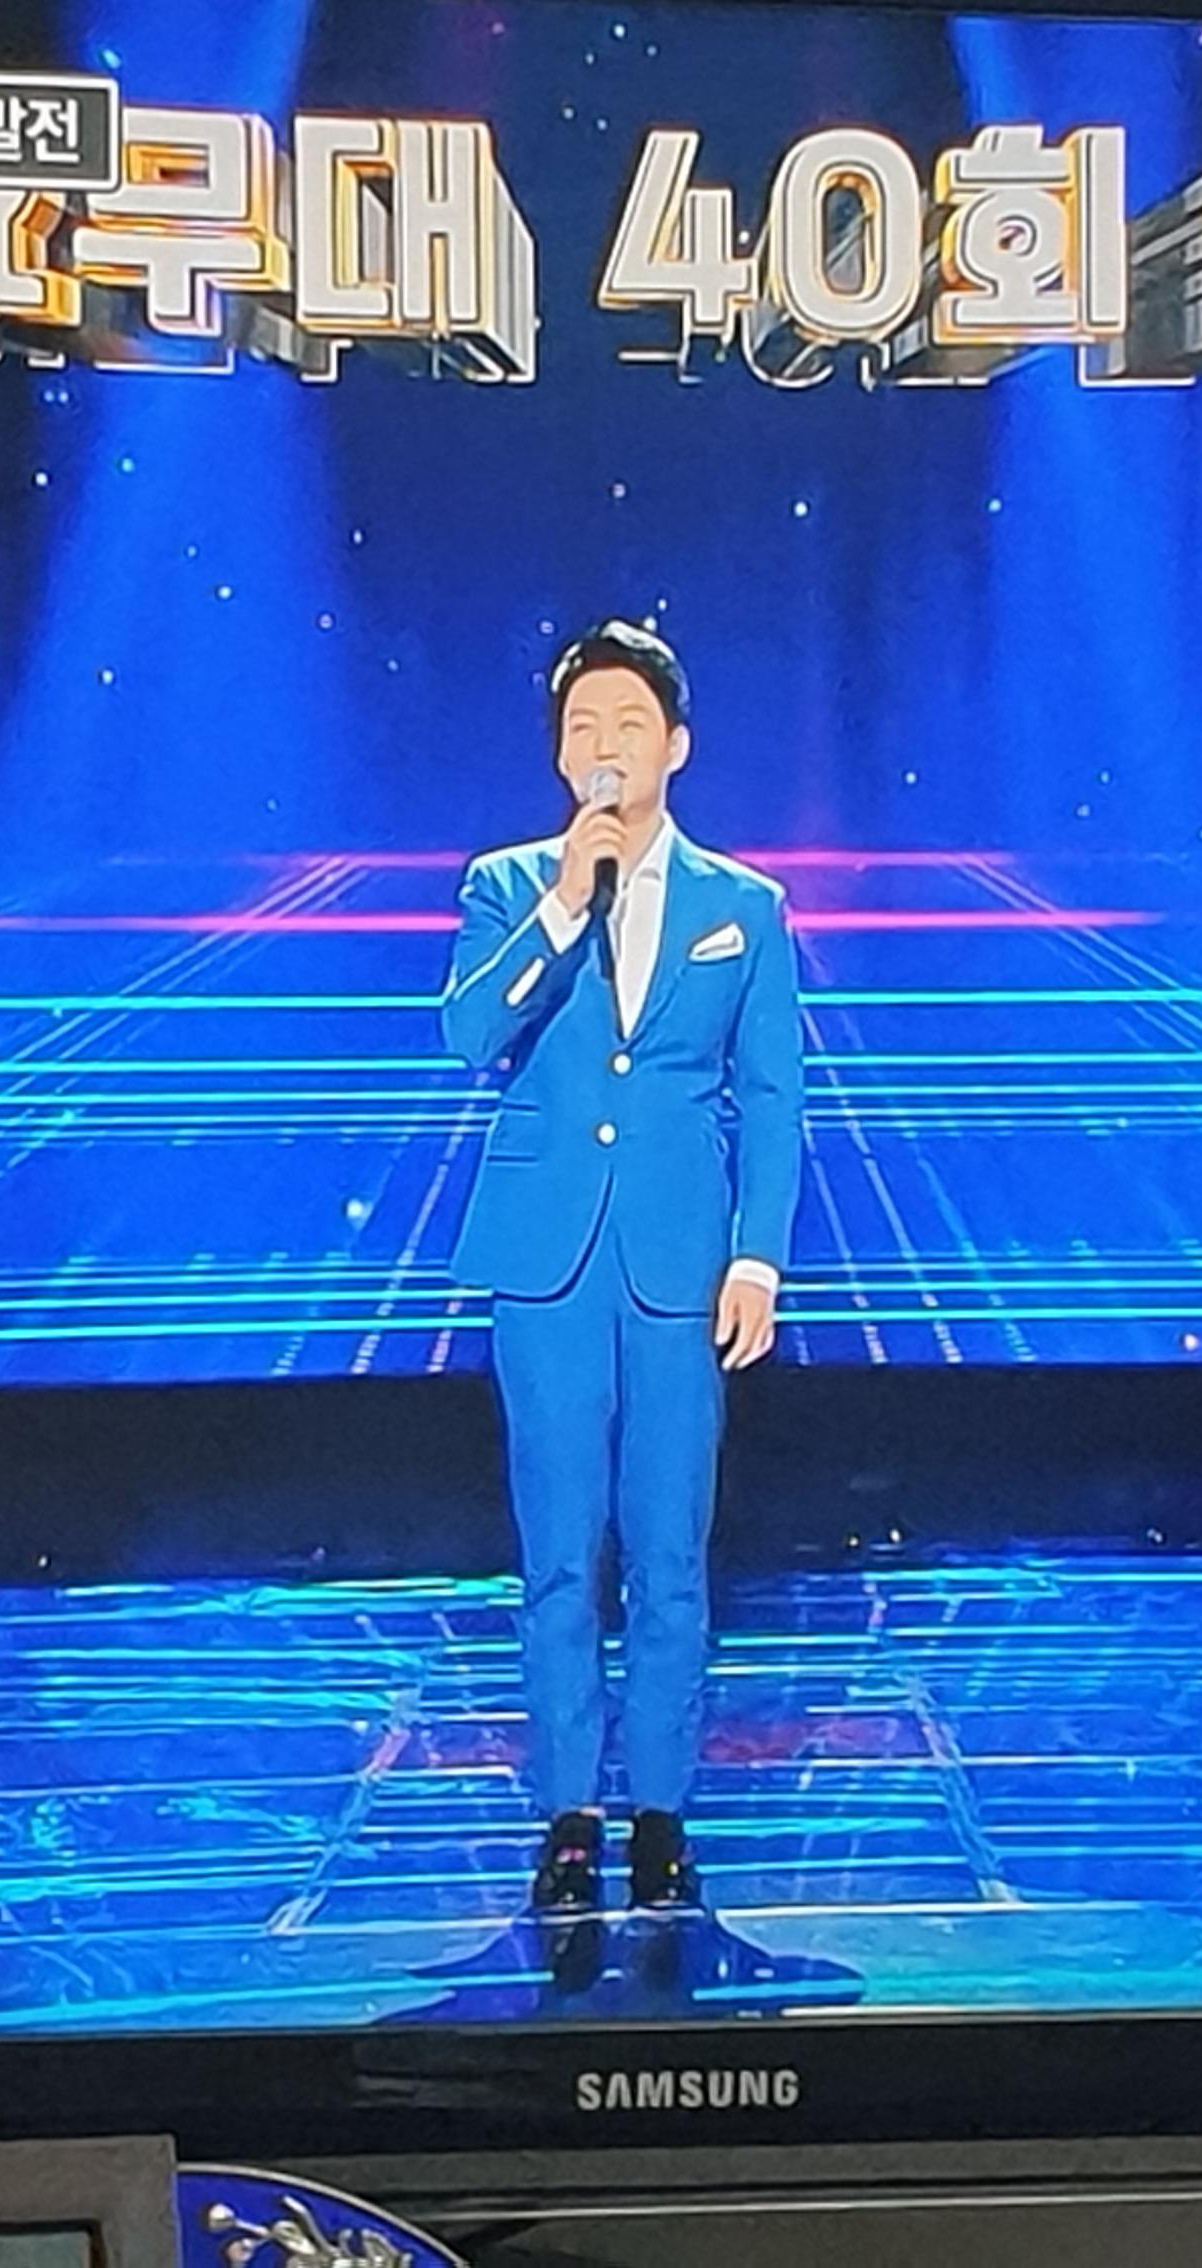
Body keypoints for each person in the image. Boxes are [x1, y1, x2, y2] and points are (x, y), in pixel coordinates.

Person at [438, 619, 804, 1916]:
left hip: (678, 1266)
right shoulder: (507, 885)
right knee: (556, 1554)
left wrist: (757, 1258)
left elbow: (773, 1097)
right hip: (547, 1263)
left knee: (670, 1554)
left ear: (677, 746)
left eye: (629, 725)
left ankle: (661, 1812)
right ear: (559, 753)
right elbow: (469, 1034)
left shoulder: (743, 907)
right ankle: (566, 1816)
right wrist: (563, 903)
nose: (605, 746)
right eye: (583, 726)